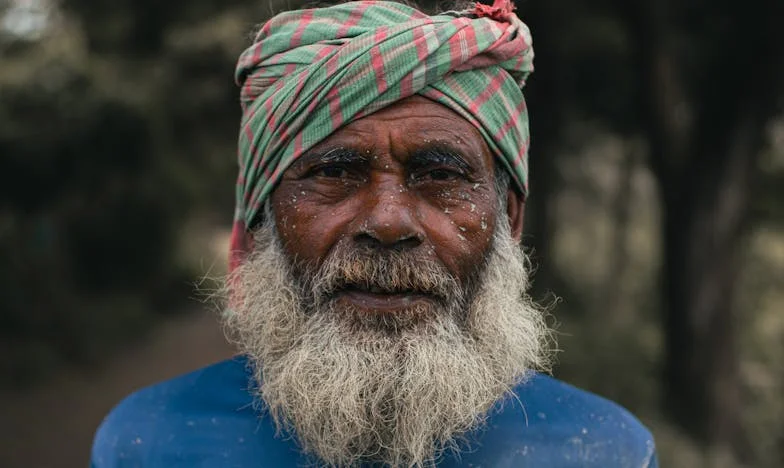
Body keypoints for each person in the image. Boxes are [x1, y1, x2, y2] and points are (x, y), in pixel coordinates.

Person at [90, 0, 658, 466]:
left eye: (441, 175)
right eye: (334, 173)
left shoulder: (605, 453)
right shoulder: (149, 445)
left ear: (508, 218)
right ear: (264, 215)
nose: (387, 222)